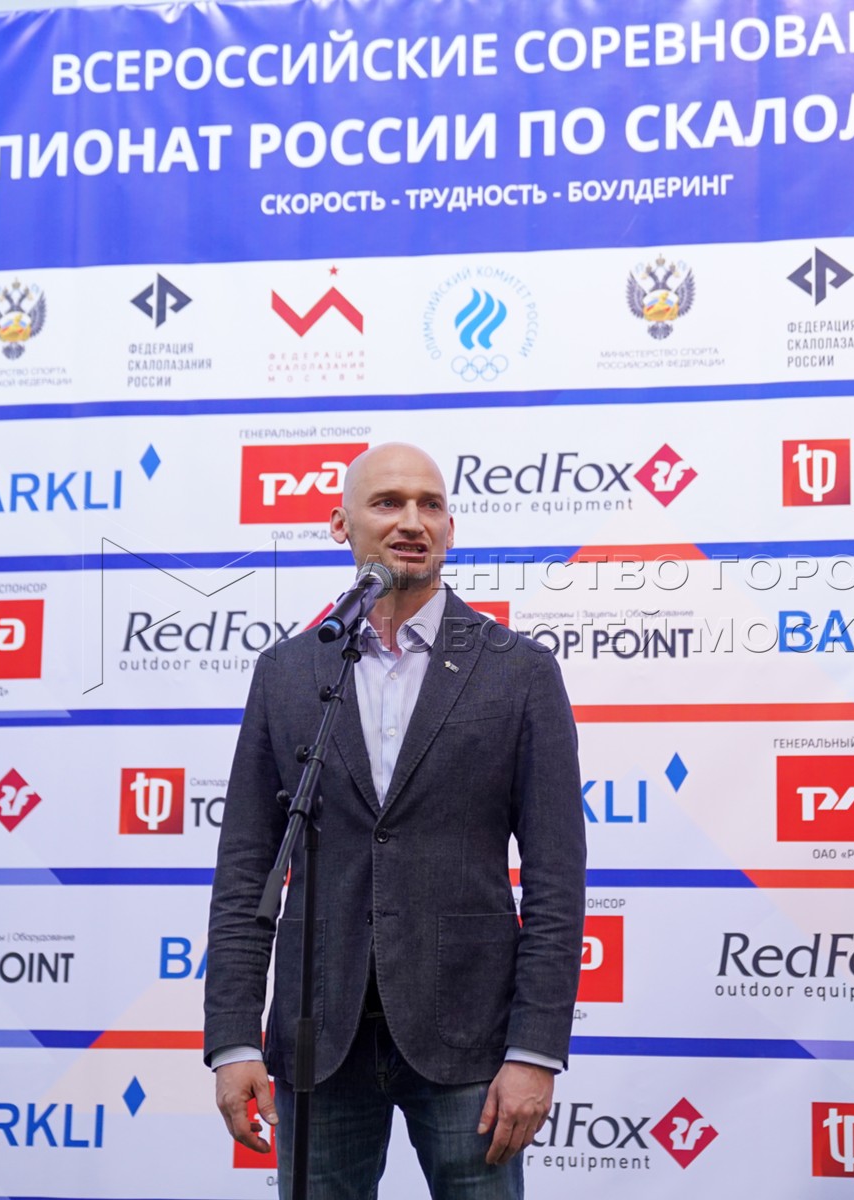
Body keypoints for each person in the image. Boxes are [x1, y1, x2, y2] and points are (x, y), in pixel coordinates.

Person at [205, 442, 586, 1199]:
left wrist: (535, 1051)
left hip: (470, 1039)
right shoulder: (287, 673)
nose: (413, 521)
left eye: (430, 504)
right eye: (388, 503)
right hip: (319, 1038)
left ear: (450, 528)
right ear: (340, 525)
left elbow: (556, 879)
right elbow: (247, 866)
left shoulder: (518, 670)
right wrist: (234, 1038)